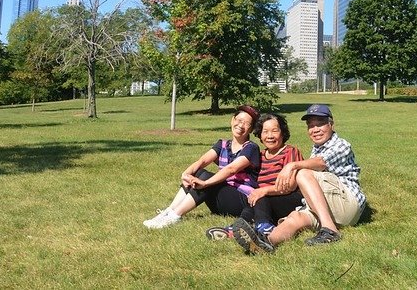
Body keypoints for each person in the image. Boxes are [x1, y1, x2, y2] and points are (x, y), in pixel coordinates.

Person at [232, 104, 366, 253]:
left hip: (347, 203)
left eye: (320, 124)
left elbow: (321, 163)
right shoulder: (317, 148)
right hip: (331, 208)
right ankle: (265, 243)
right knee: (296, 217)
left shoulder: (341, 144)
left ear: (331, 124)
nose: (315, 129)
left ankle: (330, 230)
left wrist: (292, 165)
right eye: (311, 126)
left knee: (303, 172)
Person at [143, 104, 261, 229]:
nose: (240, 125)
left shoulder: (251, 148)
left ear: (251, 129)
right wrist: (186, 174)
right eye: (238, 120)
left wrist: (205, 183)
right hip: (221, 199)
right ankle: (168, 211)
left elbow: (231, 169)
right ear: (232, 120)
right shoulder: (223, 144)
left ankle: (175, 216)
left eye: (246, 123)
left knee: (205, 177)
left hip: (241, 199)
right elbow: (202, 161)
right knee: (198, 172)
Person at [206, 112, 303, 240]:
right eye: (265, 131)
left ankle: (264, 228)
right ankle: (237, 229)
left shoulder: (290, 151)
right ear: (260, 135)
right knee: (253, 200)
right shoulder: (260, 155)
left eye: (274, 131)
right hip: (264, 201)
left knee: (261, 197)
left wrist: (264, 190)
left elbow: (291, 186)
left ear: (283, 133)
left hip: (289, 199)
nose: (270, 136)